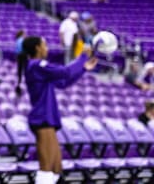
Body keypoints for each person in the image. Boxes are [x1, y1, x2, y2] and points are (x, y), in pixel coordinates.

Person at [16, 36, 97, 184]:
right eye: (45, 45)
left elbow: (63, 83)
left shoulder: (40, 68)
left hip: (48, 119)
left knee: (56, 167)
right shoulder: (36, 65)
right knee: (46, 168)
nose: (47, 48)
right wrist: (83, 56)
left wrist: (84, 68)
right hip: (42, 118)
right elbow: (65, 72)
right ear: (37, 48)